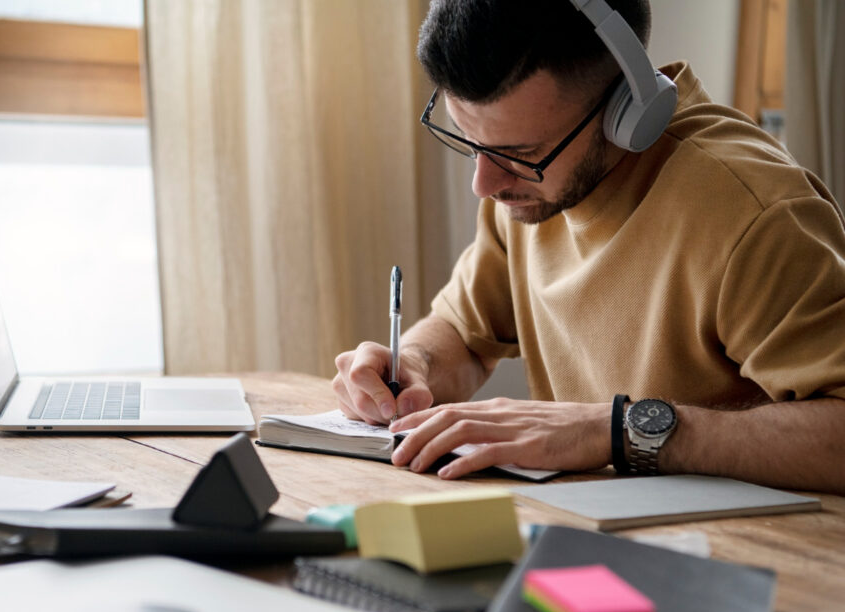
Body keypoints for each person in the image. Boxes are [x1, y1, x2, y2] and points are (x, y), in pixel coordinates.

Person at [331, 0, 845, 493]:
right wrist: (413, 366)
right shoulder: (527, 191)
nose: (483, 184)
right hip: (588, 533)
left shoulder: (753, 214)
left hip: (761, 559)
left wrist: (616, 430)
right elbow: (465, 336)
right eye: (471, 143)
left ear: (628, 110)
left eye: (521, 153)